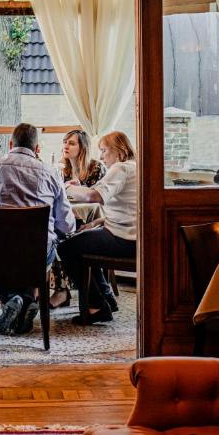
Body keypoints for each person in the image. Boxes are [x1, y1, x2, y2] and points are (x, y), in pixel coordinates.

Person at [0, 123, 76, 336]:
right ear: (37, 149)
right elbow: (67, 225)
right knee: (38, 250)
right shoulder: (51, 173)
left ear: (10, 143)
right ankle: (25, 301)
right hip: (37, 254)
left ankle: (14, 301)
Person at [61, 131, 137, 325]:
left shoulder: (120, 168)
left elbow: (93, 196)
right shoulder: (135, 167)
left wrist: (65, 188)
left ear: (119, 151)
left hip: (123, 239)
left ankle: (97, 306)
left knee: (66, 248)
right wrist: (95, 223)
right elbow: (128, 210)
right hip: (132, 236)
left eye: (104, 151)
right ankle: (106, 297)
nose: (102, 156)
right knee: (84, 241)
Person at [50, 130, 106, 309]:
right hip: (68, 219)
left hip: (91, 222)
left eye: (72, 143)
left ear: (82, 147)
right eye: (65, 142)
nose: (66, 145)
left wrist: (78, 189)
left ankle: (65, 291)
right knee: (52, 236)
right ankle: (61, 289)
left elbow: (100, 199)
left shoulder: (96, 168)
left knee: (63, 239)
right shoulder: (61, 170)